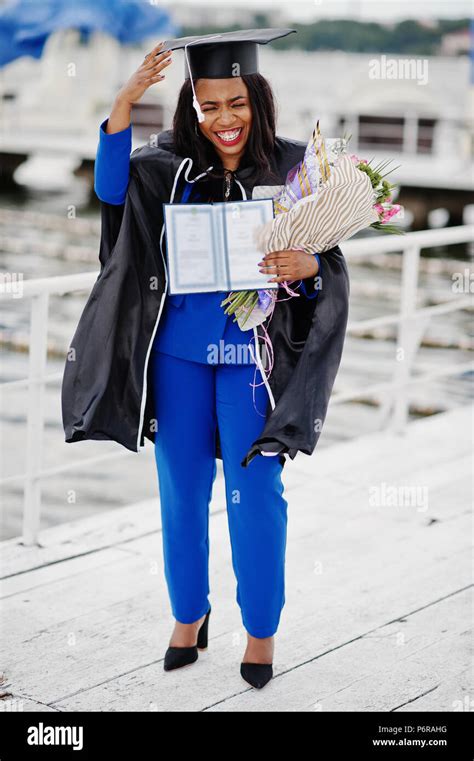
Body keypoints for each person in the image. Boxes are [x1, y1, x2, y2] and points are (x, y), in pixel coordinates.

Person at [62, 28, 350, 690]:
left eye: (237, 104)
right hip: (178, 357)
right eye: (209, 105)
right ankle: (189, 617)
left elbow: (325, 266)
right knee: (181, 497)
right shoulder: (166, 167)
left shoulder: (296, 170)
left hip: (252, 360)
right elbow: (111, 194)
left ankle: (260, 630)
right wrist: (123, 105)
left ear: (259, 99)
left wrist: (306, 265)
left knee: (256, 496)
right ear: (192, 105)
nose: (224, 120)